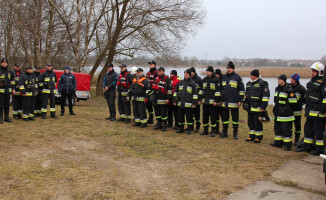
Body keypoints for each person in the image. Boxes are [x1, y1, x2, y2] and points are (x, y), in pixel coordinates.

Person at [296, 62, 326, 155]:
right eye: (312, 71)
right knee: (308, 129)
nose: (312, 73)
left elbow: (325, 98)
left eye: (314, 71)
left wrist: (323, 108)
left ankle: (319, 150)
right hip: (310, 111)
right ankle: (307, 147)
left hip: (319, 113)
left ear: (320, 72)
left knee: (318, 132)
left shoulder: (323, 83)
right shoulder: (311, 81)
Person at [270, 74, 298, 151]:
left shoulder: (289, 89)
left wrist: (287, 110)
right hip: (278, 113)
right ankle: (278, 143)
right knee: (277, 129)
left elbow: (293, 102)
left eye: (279, 79)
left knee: (286, 130)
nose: (277, 81)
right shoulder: (277, 89)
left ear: (283, 80)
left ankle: (287, 145)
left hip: (286, 114)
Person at [243, 69, 270, 143]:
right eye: (250, 75)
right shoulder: (248, 83)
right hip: (250, 107)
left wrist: (263, 107)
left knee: (257, 123)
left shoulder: (263, 83)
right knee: (250, 122)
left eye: (252, 75)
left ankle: (258, 137)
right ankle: (251, 136)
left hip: (258, 107)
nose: (250, 76)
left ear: (256, 76)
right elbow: (246, 95)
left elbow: (265, 96)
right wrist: (244, 103)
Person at [220, 61, 245, 139]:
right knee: (225, 118)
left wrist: (240, 100)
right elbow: (220, 89)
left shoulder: (238, 77)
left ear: (233, 69)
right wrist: (220, 99)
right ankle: (225, 132)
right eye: (227, 68)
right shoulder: (223, 77)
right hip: (225, 102)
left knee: (235, 119)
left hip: (234, 102)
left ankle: (235, 133)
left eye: (230, 68)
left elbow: (241, 90)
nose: (228, 69)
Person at [173, 69, 198, 134]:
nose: (185, 75)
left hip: (189, 104)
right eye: (184, 74)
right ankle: (181, 128)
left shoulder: (193, 84)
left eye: (187, 74)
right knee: (180, 117)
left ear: (189, 75)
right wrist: (174, 101)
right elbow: (176, 92)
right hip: (180, 104)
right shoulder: (180, 82)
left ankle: (189, 129)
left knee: (189, 118)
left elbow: (195, 95)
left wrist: (194, 103)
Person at [200, 66, 221, 137]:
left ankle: (213, 130)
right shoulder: (204, 79)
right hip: (205, 102)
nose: (207, 72)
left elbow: (218, 91)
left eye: (208, 71)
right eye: (206, 71)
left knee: (213, 117)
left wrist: (216, 101)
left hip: (213, 103)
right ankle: (205, 130)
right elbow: (201, 90)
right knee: (205, 116)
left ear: (212, 72)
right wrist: (200, 99)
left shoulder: (216, 79)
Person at [150, 67, 172, 132]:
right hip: (156, 99)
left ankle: (164, 124)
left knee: (163, 113)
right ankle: (159, 124)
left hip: (163, 99)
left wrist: (168, 98)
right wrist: (151, 95)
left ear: (163, 72)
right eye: (158, 71)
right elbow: (153, 88)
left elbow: (169, 90)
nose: (159, 72)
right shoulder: (156, 79)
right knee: (157, 113)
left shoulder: (167, 79)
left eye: (160, 71)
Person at [290, 73, 307, 146]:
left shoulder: (301, 89)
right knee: (288, 125)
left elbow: (305, 100)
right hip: (289, 110)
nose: (291, 80)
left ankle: (296, 139)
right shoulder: (289, 87)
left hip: (297, 110)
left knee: (297, 125)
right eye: (291, 79)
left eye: (293, 79)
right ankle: (288, 138)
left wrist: (299, 105)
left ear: (296, 80)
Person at [0, 58, 15, 124]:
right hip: (1, 91)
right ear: (1, 63)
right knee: (1, 105)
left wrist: (13, 89)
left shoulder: (9, 71)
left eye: (5, 63)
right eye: (3, 63)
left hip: (8, 91)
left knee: (7, 104)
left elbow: (12, 81)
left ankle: (7, 117)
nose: (4, 64)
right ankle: (0, 117)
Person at [190, 67, 203, 133]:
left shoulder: (199, 80)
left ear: (194, 72)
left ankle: (197, 127)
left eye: (191, 72)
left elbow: (201, 90)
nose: (190, 73)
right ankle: (191, 127)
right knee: (190, 114)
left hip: (197, 100)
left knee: (197, 115)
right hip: (190, 100)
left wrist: (199, 99)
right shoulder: (188, 79)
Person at [215, 68, 223, 135]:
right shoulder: (215, 80)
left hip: (222, 102)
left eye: (216, 74)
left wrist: (221, 100)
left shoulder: (222, 80)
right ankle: (216, 129)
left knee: (223, 117)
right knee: (216, 116)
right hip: (216, 101)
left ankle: (224, 130)